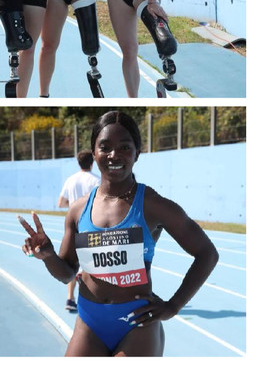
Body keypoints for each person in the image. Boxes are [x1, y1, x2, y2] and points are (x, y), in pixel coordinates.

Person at [19, 110, 219, 356]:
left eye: (125, 147)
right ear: (94, 153)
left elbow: (207, 253)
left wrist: (173, 306)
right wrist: (48, 255)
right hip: (90, 323)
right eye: (105, 147)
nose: (114, 155)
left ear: (137, 153)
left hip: (137, 324)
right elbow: (66, 274)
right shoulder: (78, 210)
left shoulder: (153, 205)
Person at [56, 149, 100, 312]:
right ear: (92, 162)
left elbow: (60, 203)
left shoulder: (70, 180)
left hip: (73, 224)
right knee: (93, 263)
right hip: (90, 225)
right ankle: (92, 299)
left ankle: (70, 298)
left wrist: (74, 206)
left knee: (71, 263)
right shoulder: (96, 180)